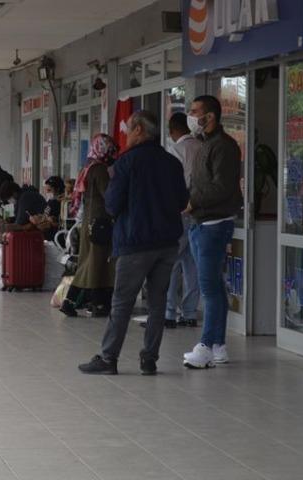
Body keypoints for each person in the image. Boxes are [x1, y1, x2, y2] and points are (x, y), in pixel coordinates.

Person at [78, 111, 189, 376]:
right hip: (167, 243)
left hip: (135, 243)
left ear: (139, 130)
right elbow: (183, 202)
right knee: (158, 302)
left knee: (122, 302)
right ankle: (149, 359)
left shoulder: (126, 163)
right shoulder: (171, 163)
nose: (126, 135)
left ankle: (108, 358)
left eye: (129, 129)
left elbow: (113, 204)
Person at [183, 95, 243, 369]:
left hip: (214, 225)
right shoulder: (205, 144)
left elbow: (222, 187)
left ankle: (206, 344)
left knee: (208, 288)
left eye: (195, 111)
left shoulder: (225, 147)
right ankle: (218, 345)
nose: (191, 115)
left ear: (210, 116)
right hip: (200, 223)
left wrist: (194, 202)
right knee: (215, 287)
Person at [59, 134, 119, 318]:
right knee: (93, 264)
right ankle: (72, 301)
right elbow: (109, 196)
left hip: (89, 223)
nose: (112, 154)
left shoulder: (88, 166)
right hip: (100, 224)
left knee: (95, 264)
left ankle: (97, 303)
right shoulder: (100, 170)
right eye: (110, 150)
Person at [163, 112, 203, 329]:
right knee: (191, 265)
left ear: (172, 130)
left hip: (179, 211)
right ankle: (189, 313)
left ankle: (169, 313)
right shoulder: (201, 147)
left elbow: (172, 183)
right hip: (199, 211)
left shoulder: (175, 150)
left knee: (170, 262)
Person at [40, 176, 64, 241]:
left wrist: (52, 222)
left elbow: (63, 223)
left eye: (49, 190)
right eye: (46, 190)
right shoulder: (50, 201)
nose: (47, 192)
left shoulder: (63, 203)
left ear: (58, 189)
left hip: (57, 238)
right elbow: (45, 214)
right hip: (48, 237)